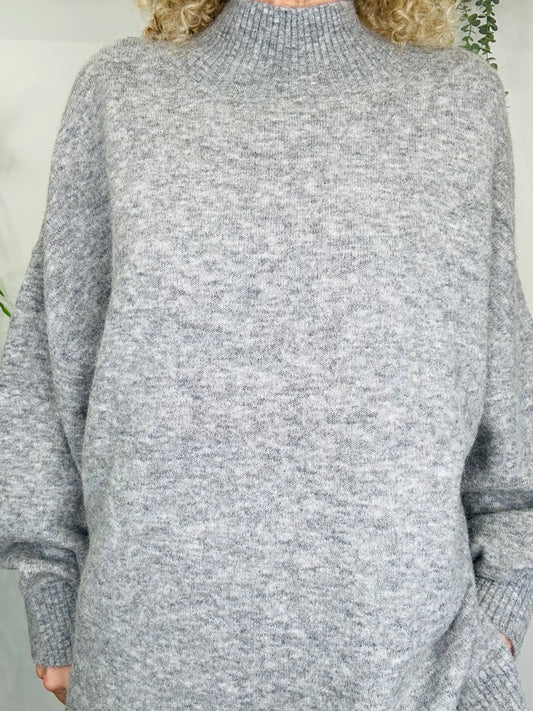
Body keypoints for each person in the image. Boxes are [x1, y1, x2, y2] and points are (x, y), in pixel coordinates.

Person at [1, 0, 532, 708]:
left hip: (401, 666)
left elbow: (503, 375)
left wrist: (502, 601)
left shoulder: (458, 100)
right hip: (150, 658)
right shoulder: (121, 91)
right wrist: (52, 585)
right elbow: (50, 358)